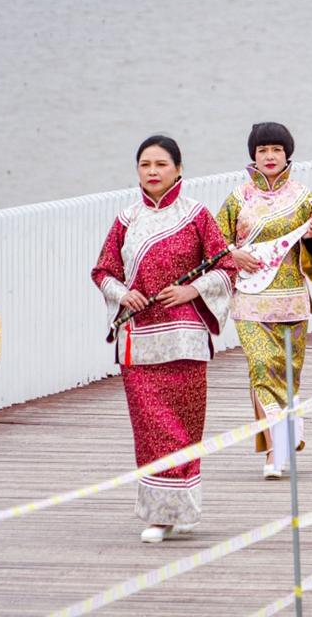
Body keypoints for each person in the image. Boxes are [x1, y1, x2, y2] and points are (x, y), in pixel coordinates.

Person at [92, 135, 236, 543]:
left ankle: (181, 509)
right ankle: (159, 515)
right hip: (138, 340)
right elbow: (102, 272)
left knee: (184, 426)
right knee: (151, 426)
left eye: (160, 164)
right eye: (144, 165)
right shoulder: (127, 219)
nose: (152, 172)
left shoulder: (197, 216)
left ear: (178, 169)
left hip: (186, 338)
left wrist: (193, 291)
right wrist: (124, 294)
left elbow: (226, 267)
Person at [216, 123, 312, 479]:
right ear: (253, 154)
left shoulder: (304, 197)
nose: (269, 156)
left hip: (292, 300)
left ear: (287, 154)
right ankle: (274, 453)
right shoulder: (238, 199)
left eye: (276, 150)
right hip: (249, 301)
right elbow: (216, 242)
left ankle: (283, 440)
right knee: (263, 368)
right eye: (262, 149)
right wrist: (234, 255)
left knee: (288, 377)